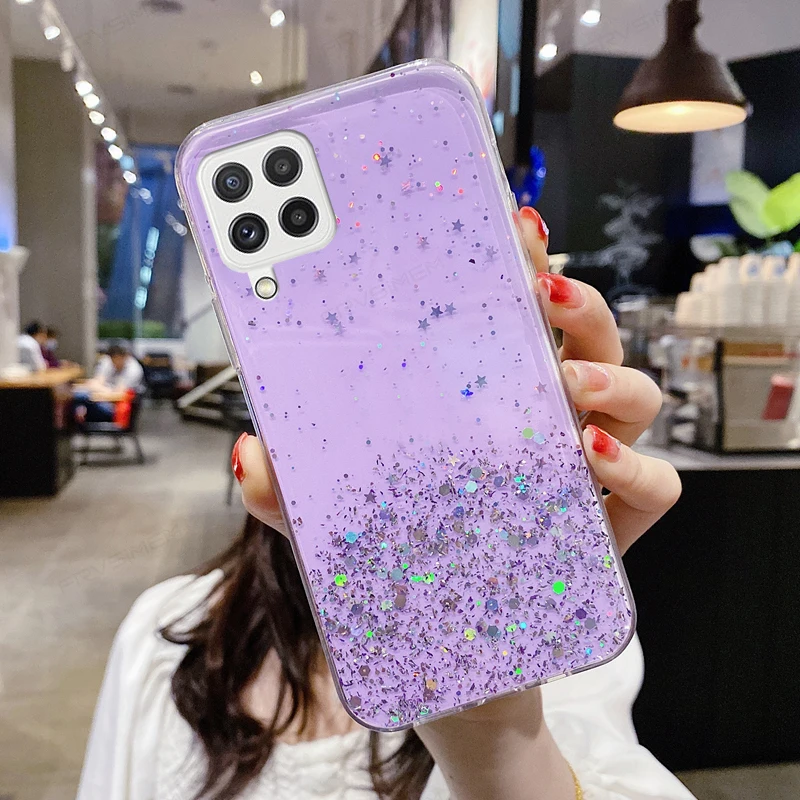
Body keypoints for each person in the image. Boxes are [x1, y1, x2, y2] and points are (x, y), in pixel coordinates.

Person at [78, 208, 692, 800]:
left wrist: (494, 729)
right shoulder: (162, 639)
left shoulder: (557, 643)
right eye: (347, 361)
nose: (396, 414)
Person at [74, 343, 144, 424]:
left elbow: (119, 395)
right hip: (100, 399)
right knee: (76, 399)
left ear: (126, 356)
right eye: (113, 359)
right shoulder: (107, 361)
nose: (115, 363)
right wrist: (100, 390)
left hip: (116, 408)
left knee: (81, 397)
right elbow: (98, 381)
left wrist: (97, 392)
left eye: (119, 359)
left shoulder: (134, 370)